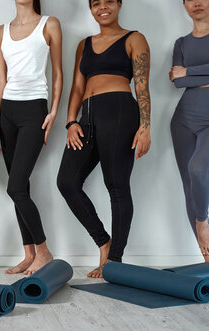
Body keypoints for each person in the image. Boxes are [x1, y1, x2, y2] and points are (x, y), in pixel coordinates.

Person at [56, 0, 151, 278]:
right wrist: (71, 121)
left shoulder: (134, 38)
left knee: (117, 184)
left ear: (119, 5)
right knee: (67, 182)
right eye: (96, 3)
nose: (102, 7)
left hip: (120, 111)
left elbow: (142, 84)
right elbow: (76, 86)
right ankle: (104, 242)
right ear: (91, 9)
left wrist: (145, 126)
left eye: (108, 1)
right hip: (87, 116)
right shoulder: (84, 44)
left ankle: (115, 260)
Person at [0, 0, 63, 275]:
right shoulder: (1, 31)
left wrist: (54, 112)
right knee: (21, 188)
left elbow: (57, 72)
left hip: (35, 109)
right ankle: (29, 253)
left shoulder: (50, 24)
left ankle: (44, 251)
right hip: (7, 111)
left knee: (16, 187)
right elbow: (0, 78)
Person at [169, 0, 209, 262]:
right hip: (183, 119)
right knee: (189, 185)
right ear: (183, 4)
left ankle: (202, 221)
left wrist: (190, 71)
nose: (197, 3)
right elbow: (177, 81)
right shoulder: (181, 43)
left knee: (198, 168)